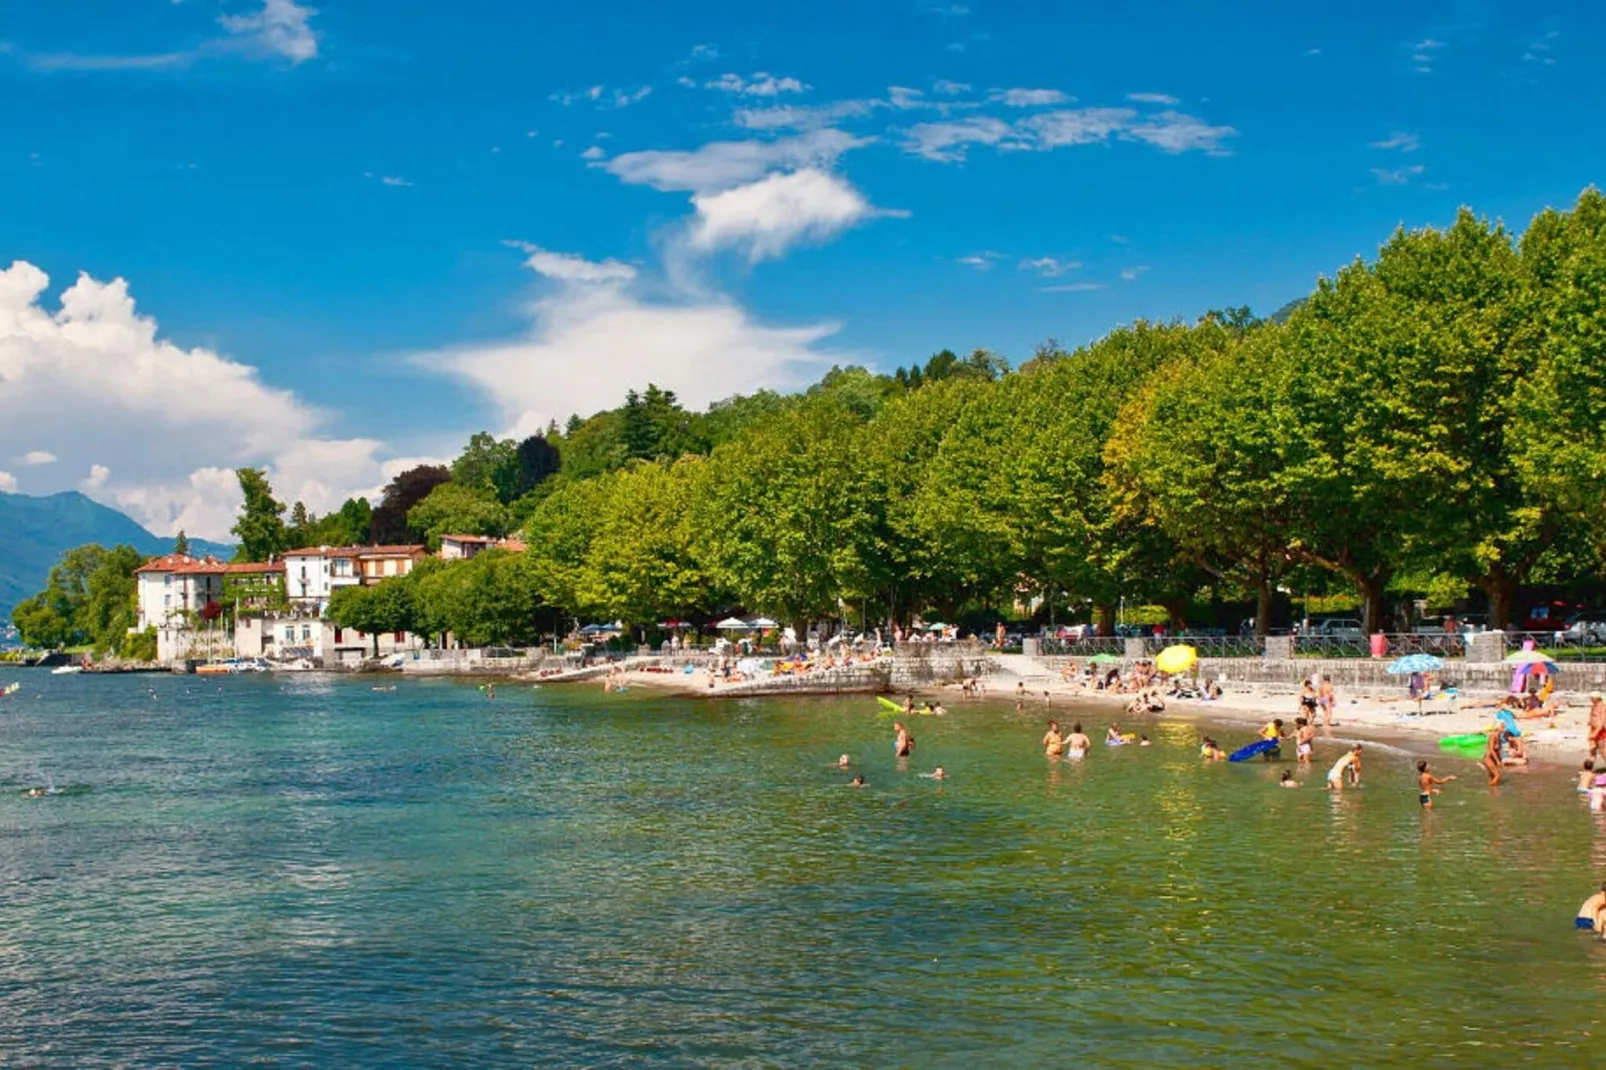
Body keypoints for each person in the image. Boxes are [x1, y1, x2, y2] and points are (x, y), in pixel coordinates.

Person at [1589, 692, 1606, 763]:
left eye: (1592, 698)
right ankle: (1588, 769)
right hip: (1593, 729)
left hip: (1599, 731)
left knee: (1602, 750)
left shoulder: (1603, 707)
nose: (1590, 699)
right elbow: (1592, 716)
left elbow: (1602, 722)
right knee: (1592, 750)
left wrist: (1596, 733)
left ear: (1597, 698)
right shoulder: (1593, 706)